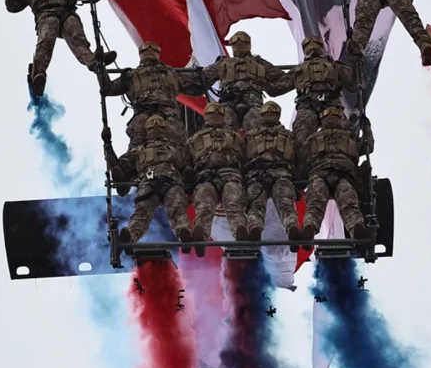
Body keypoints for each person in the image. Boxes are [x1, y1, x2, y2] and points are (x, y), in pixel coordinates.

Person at [4, 0, 116, 98]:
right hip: (46, 15)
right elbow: (12, 6)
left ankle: (93, 61)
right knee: (47, 37)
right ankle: (38, 73)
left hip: (66, 12)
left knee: (76, 35)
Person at [105, 115, 192, 248]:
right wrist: (108, 147)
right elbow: (119, 167)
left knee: (177, 209)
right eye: (152, 125)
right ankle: (130, 237)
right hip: (149, 184)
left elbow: (188, 166)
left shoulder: (176, 149)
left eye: (160, 123)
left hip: (172, 182)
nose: (156, 126)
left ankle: (184, 234)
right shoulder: (139, 150)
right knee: (142, 212)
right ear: (147, 130)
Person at [97, 41, 186, 151]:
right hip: (142, 115)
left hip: (170, 116)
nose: (149, 50)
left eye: (154, 48)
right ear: (140, 54)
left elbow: (198, 83)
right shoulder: (131, 75)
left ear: (158, 53)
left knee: (178, 148)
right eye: (144, 48)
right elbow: (108, 89)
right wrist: (100, 66)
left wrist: (208, 70)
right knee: (136, 150)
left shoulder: (171, 74)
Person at [300, 106, 371, 243]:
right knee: (316, 201)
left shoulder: (350, 137)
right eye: (328, 117)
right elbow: (302, 160)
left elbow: (368, 146)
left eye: (335, 117)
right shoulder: (313, 139)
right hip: (320, 174)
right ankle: (309, 228)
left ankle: (356, 228)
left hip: (343, 174)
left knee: (348, 200)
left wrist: (366, 128)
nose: (331, 120)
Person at [274, 36, 360, 147]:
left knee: (345, 136)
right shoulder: (298, 70)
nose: (312, 46)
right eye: (307, 45)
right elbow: (277, 88)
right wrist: (261, 69)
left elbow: (354, 85)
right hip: (307, 104)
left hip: (331, 102)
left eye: (316, 43)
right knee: (301, 138)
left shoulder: (335, 66)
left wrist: (355, 59)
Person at [190, 31, 285, 131]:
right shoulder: (223, 63)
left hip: (253, 103)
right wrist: (180, 79)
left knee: (257, 122)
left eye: (244, 39)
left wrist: (295, 74)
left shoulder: (259, 63)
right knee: (223, 123)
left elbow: (282, 79)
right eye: (235, 40)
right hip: (229, 102)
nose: (239, 42)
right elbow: (200, 78)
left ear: (249, 43)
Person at [184, 102, 243, 255]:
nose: (215, 114)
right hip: (205, 176)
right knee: (205, 204)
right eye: (212, 112)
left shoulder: (235, 137)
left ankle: (240, 232)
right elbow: (185, 162)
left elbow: (246, 160)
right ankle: (201, 236)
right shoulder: (194, 139)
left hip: (231, 175)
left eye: (219, 112)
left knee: (233, 202)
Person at [241, 102, 301, 251]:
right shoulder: (249, 136)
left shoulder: (289, 136)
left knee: (285, 203)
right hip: (257, 175)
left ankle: (292, 230)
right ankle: (254, 230)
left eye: (273, 111)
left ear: (278, 115)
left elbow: (298, 159)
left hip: (281, 174)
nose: (269, 114)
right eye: (266, 111)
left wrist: (298, 182)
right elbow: (241, 158)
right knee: (256, 203)